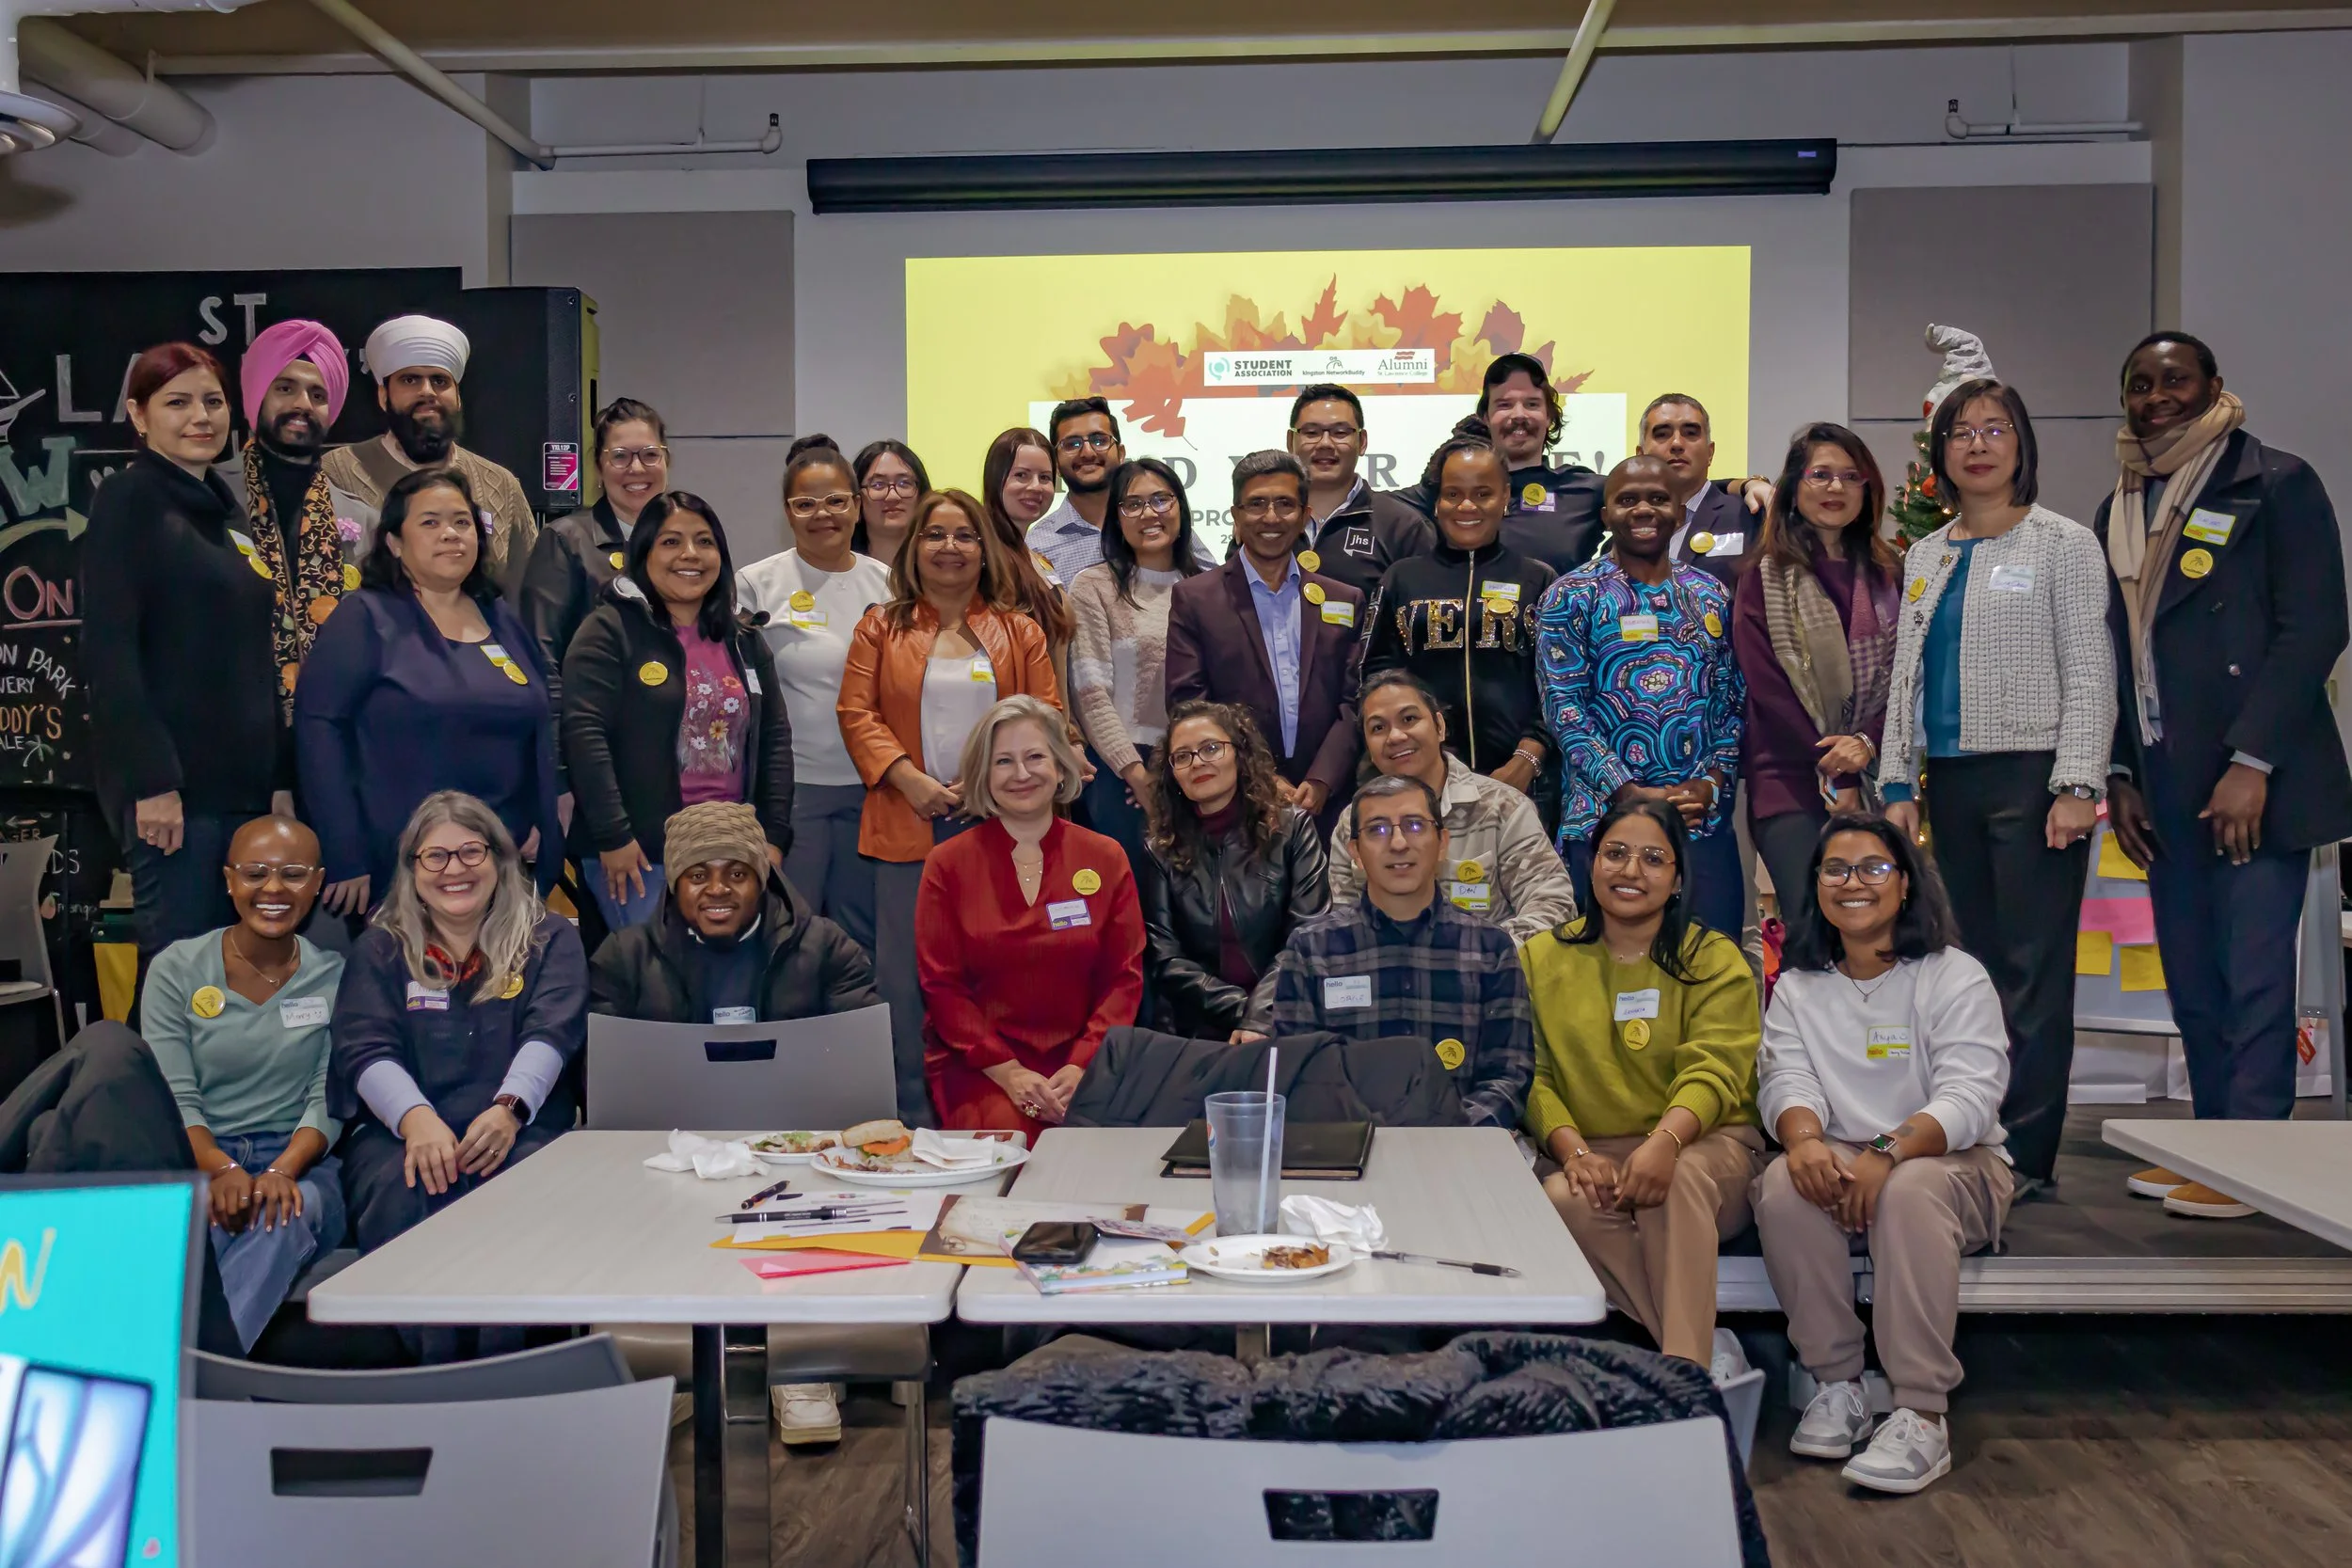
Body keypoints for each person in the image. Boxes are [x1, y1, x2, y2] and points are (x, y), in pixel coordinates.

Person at [2095, 334, 2352, 1216]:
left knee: (2253, 977)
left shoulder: (2276, 482)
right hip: (2164, 779)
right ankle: (2213, 1145)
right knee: (2194, 980)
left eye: (2175, 381)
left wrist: (2254, 760)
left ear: (2212, 387)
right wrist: (2121, 770)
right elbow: (2116, 653)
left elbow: (2315, 627)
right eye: (2140, 384)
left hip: (2255, 782)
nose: (2156, 397)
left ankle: (2256, 1155)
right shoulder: (2121, 503)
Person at [1877, 379, 2114, 1193]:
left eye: (1996, 429)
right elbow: (1908, 675)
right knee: (1967, 969)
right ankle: (1975, 1131)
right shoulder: (1927, 552)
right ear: (1940, 453)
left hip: (2034, 774)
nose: (1978, 444)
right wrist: (1897, 778)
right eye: (1961, 432)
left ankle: (2029, 1154)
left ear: (2022, 447)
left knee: (2033, 969)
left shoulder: (2064, 544)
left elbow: (2090, 669)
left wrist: (2078, 781)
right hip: (1951, 782)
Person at [1754, 816, 2014, 1494]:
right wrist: (1806, 1140)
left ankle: (1921, 1412)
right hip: (1848, 1158)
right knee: (1783, 1182)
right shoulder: (1803, 985)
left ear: (1905, 882)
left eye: (1873, 867)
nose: (1853, 883)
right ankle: (1837, 1383)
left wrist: (1886, 1151)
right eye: (1835, 869)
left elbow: (1971, 1096)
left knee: (1909, 1188)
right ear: (1816, 887)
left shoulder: (1953, 975)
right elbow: (1786, 1078)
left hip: (1956, 1168)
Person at [328, 792, 585, 1360]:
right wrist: (416, 1120)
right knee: (410, 1188)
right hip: (402, 1134)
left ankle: (507, 1382)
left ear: (499, 859)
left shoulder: (551, 938)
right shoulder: (380, 948)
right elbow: (363, 1047)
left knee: (519, 1194)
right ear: (411, 869)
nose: (455, 870)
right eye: (435, 857)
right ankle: (433, 1381)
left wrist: (510, 1109)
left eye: (471, 851)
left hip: (523, 1128)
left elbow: (554, 1031)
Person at [1520, 799, 1762, 1379]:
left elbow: (1717, 1068)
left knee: (1670, 1186)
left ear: (1678, 879)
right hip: (1595, 1154)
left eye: (1654, 859)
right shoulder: (1541, 957)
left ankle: (1681, 1382)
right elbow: (1530, 1074)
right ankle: (1696, 1349)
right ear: (1591, 863)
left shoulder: (1714, 958)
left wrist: (1665, 1142)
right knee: (1558, 1200)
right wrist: (1573, 1151)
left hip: (1707, 1147)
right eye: (1617, 854)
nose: (1631, 871)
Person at [838, 490, 1060, 1122]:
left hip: (1002, 825)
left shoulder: (1019, 630)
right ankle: (913, 1117)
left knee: (1004, 977)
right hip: (908, 822)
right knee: (907, 985)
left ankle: (1007, 1107)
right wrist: (910, 780)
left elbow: (1046, 716)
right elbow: (857, 712)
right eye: (935, 535)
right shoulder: (880, 625)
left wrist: (996, 788)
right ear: (914, 547)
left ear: (984, 547)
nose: (950, 547)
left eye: (964, 535)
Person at [86, 342, 287, 965]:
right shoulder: (129, 500)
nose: (200, 416)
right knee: (180, 978)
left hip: (244, 793)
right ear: (139, 415)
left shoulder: (227, 514)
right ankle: (138, 1070)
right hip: (175, 797)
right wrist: (152, 783)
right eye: (178, 402)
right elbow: (111, 653)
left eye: (213, 401)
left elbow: (253, 659)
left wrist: (278, 781)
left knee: (234, 979)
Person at [295, 468, 564, 915]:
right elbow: (318, 731)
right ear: (395, 543)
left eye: (462, 522)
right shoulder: (363, 619)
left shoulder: (500, 616)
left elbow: (536, 724)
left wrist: (540, 822)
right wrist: (345, 851)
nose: (450, 535)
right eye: (430, 522)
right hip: (402, 868)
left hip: (503, 865)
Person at [141, 816, 345, 1353]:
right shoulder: (176, 969)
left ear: (319, 883)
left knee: (283, 1214)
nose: (274, 889)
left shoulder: (336, 976)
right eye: (255, 873)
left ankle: (197, 1377)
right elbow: (172, 1095)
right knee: (195, 1228)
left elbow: (329, 1097)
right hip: (199, 1156)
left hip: (302, 1162)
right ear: (228, 880)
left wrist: (282, 1170)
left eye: (293, 874)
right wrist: (221, 1168)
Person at [561, 492, 792, 929]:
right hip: (641, 854)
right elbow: (583, 735)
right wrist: (614, 835)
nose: (691, 554)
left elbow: (775, 740)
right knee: (658, 988)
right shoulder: (609, 630)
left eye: (704, 542)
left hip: (733, 851)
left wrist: (774, 837)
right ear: (643, 552)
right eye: (671, 542)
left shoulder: (742, 637)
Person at [1538, 455, 1746, 937]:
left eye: (1658, 499)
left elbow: (1732, 704)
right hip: (1603, 824)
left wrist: (1711, 784)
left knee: (1708, 973)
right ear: (1606, 513)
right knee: (1602, 983)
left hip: (1699, 823)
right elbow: (1564, 709)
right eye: (1627, 500)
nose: (1643, 510)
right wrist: (1630, 795)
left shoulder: (1710, 593)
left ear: (1678, 512)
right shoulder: (1571, 595)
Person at [916, 697, 1143, 1137]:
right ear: (983, 775)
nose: (1021, 774)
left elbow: (1124, 979)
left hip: (1087, 1064)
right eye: (1003, 761)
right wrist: (1008, 1072)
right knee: (1014, 1148)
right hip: (981, 1067)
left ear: (1061, 767)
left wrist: (1082, 1067)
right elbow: (941, 987)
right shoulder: (947, 865)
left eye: (1035, 757)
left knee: (1097, 1160)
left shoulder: (1106, 857)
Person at [1257, 774, 1534, 1128]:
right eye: (1378, 830)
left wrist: (1450, 1136)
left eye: (1415, 825)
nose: (1399, 843)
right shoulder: (1312, 950)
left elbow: (1510, 1075)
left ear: (1442, 841)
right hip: (1348, 1154)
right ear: (1354, 851)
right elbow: (1299, 1074)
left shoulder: (1490, 949)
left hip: (1460, 1151)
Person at [1734, 424, 1901, 930]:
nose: (1836, 488)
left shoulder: (1890, 573)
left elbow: (1907, 677)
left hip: (1878, 779)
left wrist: (1867, 744)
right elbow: (1771, 694)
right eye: (1821, 475)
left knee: (1874, 933)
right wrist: (1839, 770)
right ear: (1794, 486)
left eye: (1851, 477)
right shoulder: (1763, 577)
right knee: (1813, 931)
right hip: (1790, 782)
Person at [738, 436, 895, 951]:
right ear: (787, 511)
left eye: (835, 501)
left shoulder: (890, 585)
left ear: (856, 504)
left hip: (874, 790)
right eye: (805, 503)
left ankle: (861, 1032)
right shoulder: (756, 584)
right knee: (787, 933)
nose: (821, 514)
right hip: (792, 792)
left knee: (863, 936)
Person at [1165, 451, 1363, 832]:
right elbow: (1189, 705)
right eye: (1256, 504)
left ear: (1304, 515)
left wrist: (1322, 778)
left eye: (1285, 504)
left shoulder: (1343, 599)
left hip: (1327, 802)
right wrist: (1262, 778)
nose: (1271, 517)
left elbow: (1353, 702)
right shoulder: (1195, 598)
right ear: (1236, 516)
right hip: (1234, 801)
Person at [1361, 431, 1557, 814]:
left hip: (1521, 779)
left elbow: (1559, 681)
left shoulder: (1538, 580)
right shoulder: (1401, 579)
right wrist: (1406, 749)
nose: (1467, 505)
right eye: (1453, 493)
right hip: (1420, 781)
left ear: (1505, 499)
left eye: (1483, 493)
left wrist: (1529, 757)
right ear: (1436, 502)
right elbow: (1375, 673)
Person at [1327, 671, 1576, 947]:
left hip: (1488, 979)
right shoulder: (1354, 823)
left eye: (1409, 719)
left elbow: (1554, 905)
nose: (1395, 736)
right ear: (1368, 747)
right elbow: (1341, 924)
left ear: (1439, 726)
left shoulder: (1501, 807)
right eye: (1378, 728)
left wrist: (1475, 958)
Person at [588, 800, 878, 1024]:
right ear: (676, 886)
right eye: (698, 877)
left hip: (792, 1102)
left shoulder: (826, 949)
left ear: (762, 882)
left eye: (737, 874)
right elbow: (604, 1072)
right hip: (674, 1103)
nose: (718, 889)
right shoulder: (626, 958)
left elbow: (863, 1056)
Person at [1140, 702, 1329, 1040]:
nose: (1197, 762)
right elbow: (1165, 960)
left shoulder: (1292, 828)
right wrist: (1247, 1012)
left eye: (1211, 748)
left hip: (1290, 1014)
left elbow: (1309, 934)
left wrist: (1264, 1012)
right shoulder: (1160, 849)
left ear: (1240, 754)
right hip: (1200, 1027)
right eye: (1182, 756)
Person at [217, 319, 373, 721]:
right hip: (225, 735)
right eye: (285, 388)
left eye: (317, 394)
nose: (302, 403)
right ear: (257, 395)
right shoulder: (208, 497)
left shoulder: (362, 519)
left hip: (332, 736)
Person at [322, 314, 537, 591]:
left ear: (458, 397)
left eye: (439, 381)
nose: (427, 392)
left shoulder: (500, 484)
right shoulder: (336, 472)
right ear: (383, 396)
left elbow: (529, 592)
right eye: (410, 380)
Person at [1068, 458, 1207, 870]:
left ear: (1180, 510)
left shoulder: (1207, 586)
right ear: (1116, 518)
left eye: (1161, 500)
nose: (1149, 514)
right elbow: (1090, 694)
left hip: (1195, 765)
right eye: (1133, 504)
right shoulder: (1093, 586)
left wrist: (1178, 768)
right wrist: (1137, 775)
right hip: (1120, 772)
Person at [517, 397, 671, 707]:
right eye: (620, 457)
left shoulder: (690, 539)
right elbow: (541, 658)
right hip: (597, 733)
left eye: (650, 455)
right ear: (599, 468)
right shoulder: (565, 540)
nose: (637, 468)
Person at [1283, 382, 1434, 600]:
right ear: (1291, 441)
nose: (1325, 443)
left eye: (1340, 432)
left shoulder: (1401, 527)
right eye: (1311, 432)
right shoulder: (1267, 519)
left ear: (1362, 442)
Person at [1639, 394, 1765, 586]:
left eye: (1690, 433)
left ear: (1710, 452)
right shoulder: (1623, 536)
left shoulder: (1751, 517)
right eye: (1662, 434)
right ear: (1640, 456)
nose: (1677, 444)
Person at [1025, 397, 1127, 588]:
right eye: (1072, 444)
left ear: (1121, 453)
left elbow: (1199, 587)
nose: (1088, 452)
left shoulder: (1154, 523)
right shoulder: (1035, 546)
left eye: (1100, 440)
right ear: (1055, 462)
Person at [851, 439, 929, 563]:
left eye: (904, 483)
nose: (892, 496)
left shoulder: (937, 570)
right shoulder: (838, 570)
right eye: (878, 485)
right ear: (857, 499)